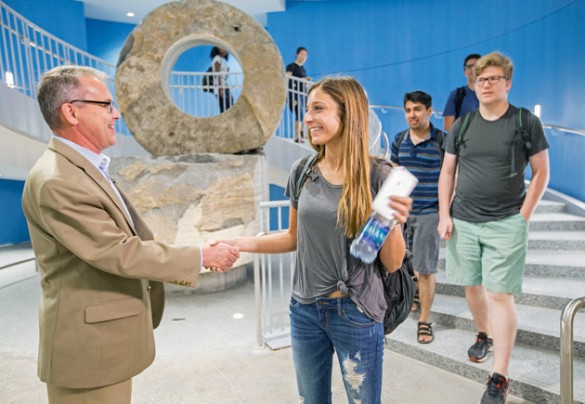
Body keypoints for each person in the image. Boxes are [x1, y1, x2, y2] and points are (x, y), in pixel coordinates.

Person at [21, 65, 240, 403]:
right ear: (71, 112)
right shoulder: (58, 180)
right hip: (87, 349)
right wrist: (201, 256)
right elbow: (118, 251)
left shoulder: (82, 168)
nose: (116, 114)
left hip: (103, 343)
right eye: (106, 105)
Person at [221, 76, 412, 404]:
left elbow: (393, 263)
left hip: (356, 311)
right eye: (307, 109)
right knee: (311, 399)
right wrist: (238, 244)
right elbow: (293, 237)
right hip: (304, 310)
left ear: (347, 114)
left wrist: (394, 221)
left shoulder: (379, 175)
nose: (307, 118)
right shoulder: (303, 170)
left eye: (318, 109)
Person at [438, 52, 550, 404]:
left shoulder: (524, 121)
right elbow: (447, 172)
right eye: (480, 78)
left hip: (506, 222)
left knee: (500, 294)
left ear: (507, 83)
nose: (485, 84)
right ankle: (483, 333)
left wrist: (524, 217)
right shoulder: (464, 125)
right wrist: (444, 214)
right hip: (464, 221)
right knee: (472, 286)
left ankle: (499, 376)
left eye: (493, 78)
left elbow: (541, 173)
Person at [390, 90, 445, 344]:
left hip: (428, 213)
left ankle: (425, 320)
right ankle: (413, 294)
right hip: (401, 214)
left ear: (429, 111)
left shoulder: (441, 141)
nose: (412, 115)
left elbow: (451, 178)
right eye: (408, 110)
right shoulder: (399, 139)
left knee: (425, 268)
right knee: (402, 261)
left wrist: (446, 214)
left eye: (418, 110)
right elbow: (390, 174)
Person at [442, 53, 481, 131]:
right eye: (469, 67)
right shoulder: (457, 95)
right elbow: (447, 126)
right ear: (464, 72)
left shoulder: (492, 93)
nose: (473, 69)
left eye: (476, 66)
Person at [286, 46, 310, 143]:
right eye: (302, 54)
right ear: (297, 54)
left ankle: (302, 132)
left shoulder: (303, 69)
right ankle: (296, 136)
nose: (304, 57)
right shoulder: (291, 66)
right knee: (299, 113)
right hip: (294, 94)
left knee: (307, 112)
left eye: (305, 55)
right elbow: (287, 78)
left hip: (303, 93)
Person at [210, 46, 233, 112]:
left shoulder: (223, 60)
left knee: (229, 104)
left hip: (225, 86)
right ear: (217, 48)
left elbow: (224, 77)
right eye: (222, 47)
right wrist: (220, 89)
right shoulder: (217, 59)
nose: (225, 50)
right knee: (224, 106)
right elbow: (217, 75)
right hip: (220, 87)